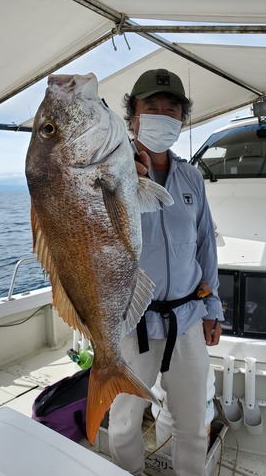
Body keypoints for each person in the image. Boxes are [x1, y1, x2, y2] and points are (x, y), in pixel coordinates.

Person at [108, 68, 224, 476]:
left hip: (189, 318)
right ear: (133, 118)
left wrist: (213, 308)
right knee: (123, 422)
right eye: (151, 108)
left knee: (193, 423)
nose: (162, 115)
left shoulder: (192, 177)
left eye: (170, 110)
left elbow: (205, 243)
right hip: (131, 321)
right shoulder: (109, 174)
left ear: (182, 120)